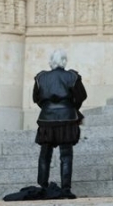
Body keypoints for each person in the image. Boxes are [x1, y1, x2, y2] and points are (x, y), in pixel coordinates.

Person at [32, 49, 87, 199]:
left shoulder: (40, 77)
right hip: (67, 119)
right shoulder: (72, 76)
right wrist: (71, 107)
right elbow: (82, 96)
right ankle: (66, 189)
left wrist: (47, 107)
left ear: (51, 61)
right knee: (66, 155)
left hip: (46, 119)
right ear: (64, 61)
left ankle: (42, 186)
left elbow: (36, 98)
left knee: (45, 154)